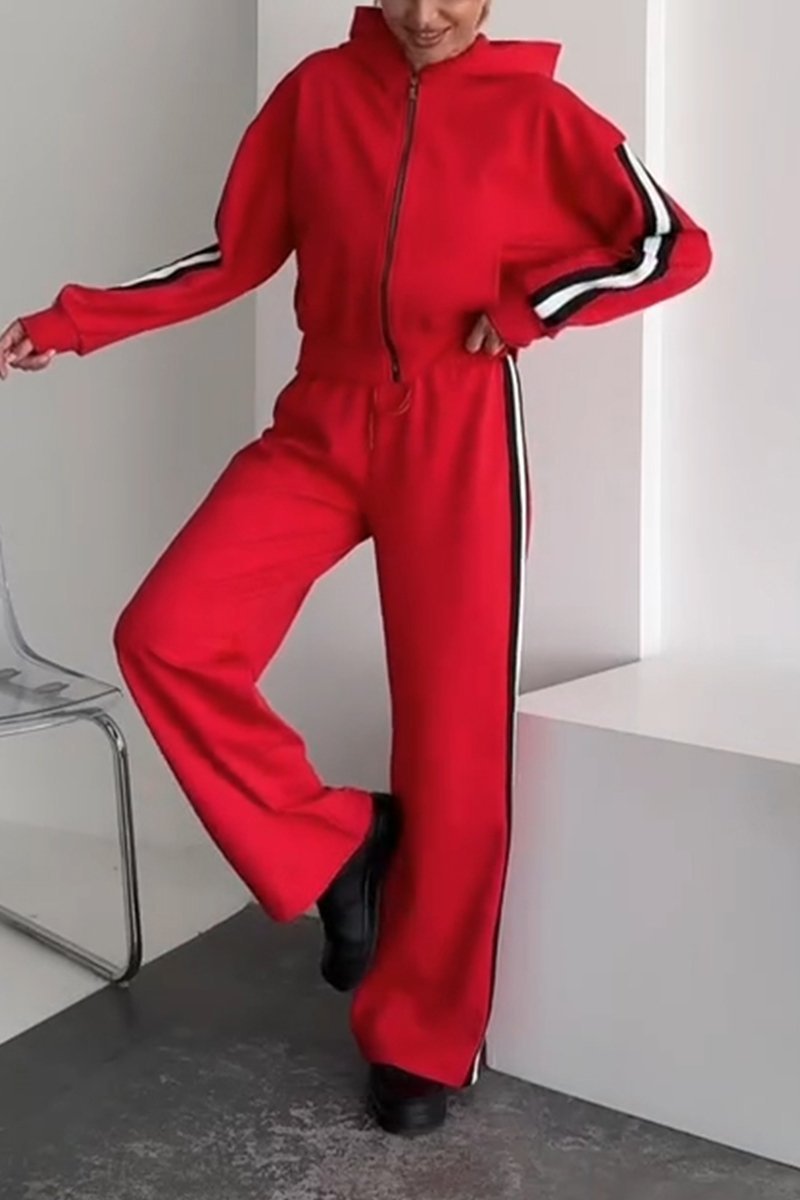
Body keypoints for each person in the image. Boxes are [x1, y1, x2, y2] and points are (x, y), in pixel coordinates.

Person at [0, 1, 712, 1137]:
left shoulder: (536, 110)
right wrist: (73, 321)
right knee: (168, 635)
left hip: (457, 430)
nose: (424, 15)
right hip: (322, 417)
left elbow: (671, 243)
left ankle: (420, 1041)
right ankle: (336, 842)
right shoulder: (315, 97)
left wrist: (531, 307)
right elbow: (232, 254)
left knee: (453, 749)